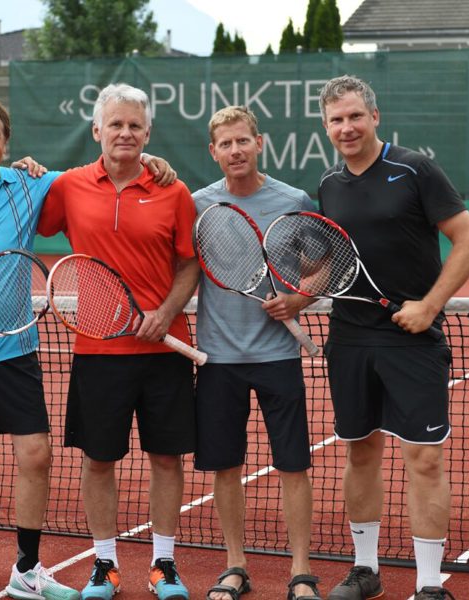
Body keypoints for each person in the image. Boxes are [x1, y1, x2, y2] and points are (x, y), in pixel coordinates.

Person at [0, 97, 177, 600]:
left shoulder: (30, 185)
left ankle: (27, 569)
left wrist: (151, 162)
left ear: (6, 143)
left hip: (14, 350)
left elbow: (109, 165)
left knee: (36, 456)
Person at [315, 75, 469, 600]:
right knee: (359, 454)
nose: (346, 127)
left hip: (412, 342)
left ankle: (431, 585)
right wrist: (297, 297)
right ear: (326, 126)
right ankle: (366, 571)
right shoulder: (329, 186)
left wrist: (429, 306)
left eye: (354, 116)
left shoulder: (415, 169)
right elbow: (329, 267)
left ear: (374, 116)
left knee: (425, 459)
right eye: (336, 120)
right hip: (349, 341)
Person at [37, 83, 200, 600]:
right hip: (98, 350)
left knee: (167, 459)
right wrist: (26, 173)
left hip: (164, 349)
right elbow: (25, 213)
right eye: (116, 125)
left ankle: (164, 565)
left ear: (147, 133)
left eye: (135, 126)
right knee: (98, 461)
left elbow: (190, 262)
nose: (125, 133)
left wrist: (167, 312)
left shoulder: (173, 191)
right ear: (97, 131)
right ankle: (103, 565)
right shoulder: (69, 186)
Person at [191, 106, 321, 600]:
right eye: (225, 144)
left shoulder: (293, 200)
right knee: (226, 467)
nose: (235, 151)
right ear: (213, 152)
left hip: (279, 357)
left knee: (294, 465)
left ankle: (302, 572)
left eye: (242, 141)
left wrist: (300, 298)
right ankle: (235, 566)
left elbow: (322, 261)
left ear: (259, 142)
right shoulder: (198, 204)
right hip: (218, 360)